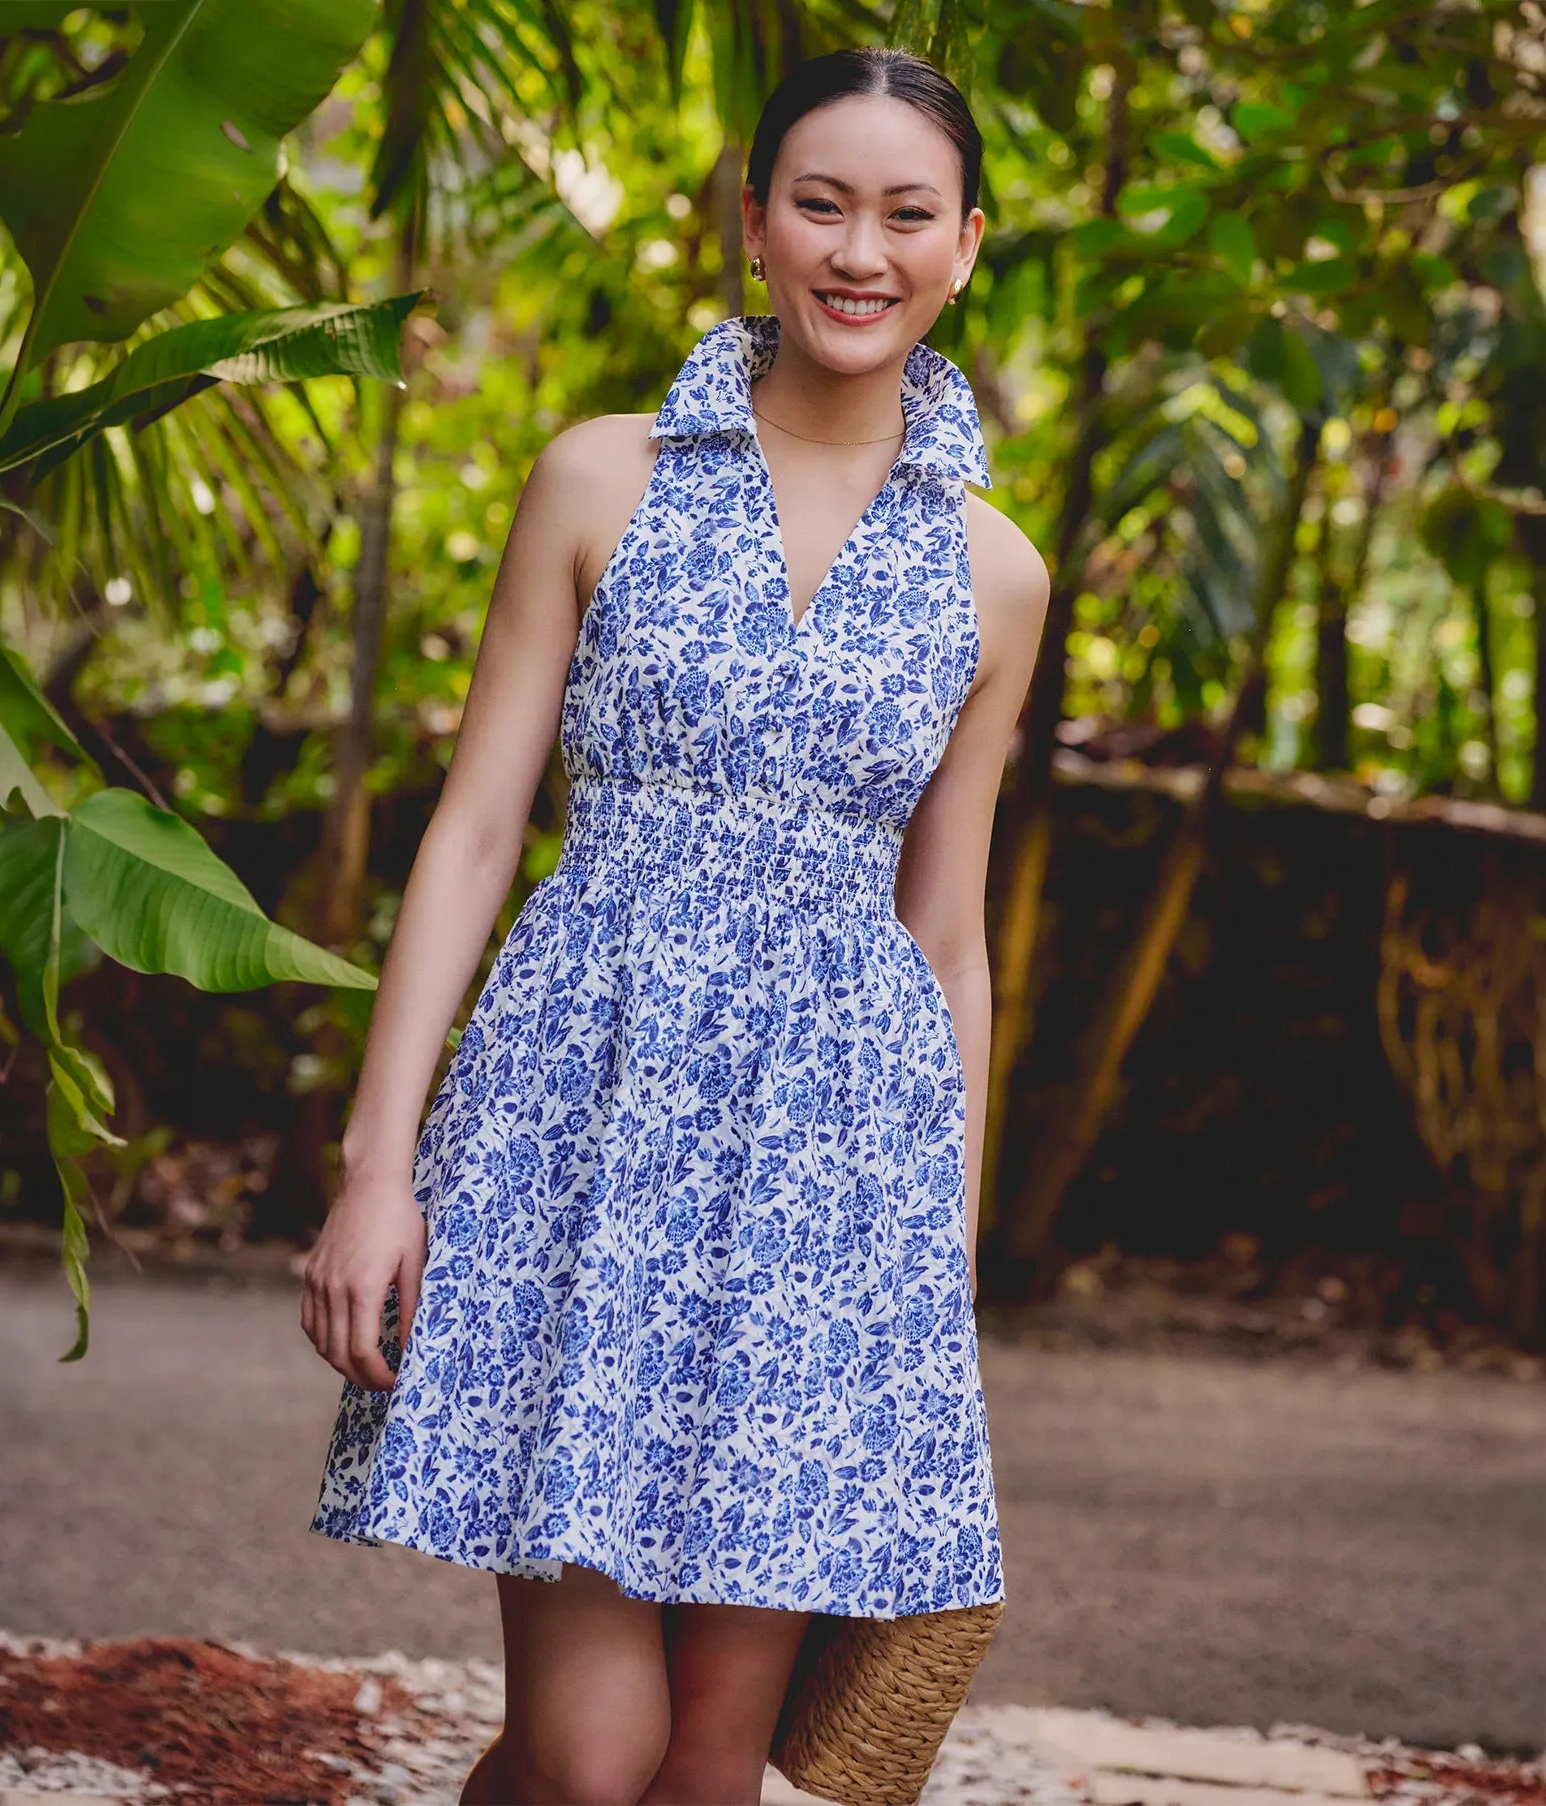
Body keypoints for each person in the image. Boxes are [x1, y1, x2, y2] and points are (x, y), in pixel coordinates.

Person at [300, 44, 1049, 1806]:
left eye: (905, 213)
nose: (859, 249)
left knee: (711, 1772)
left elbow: (947, 932)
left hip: (831, 1183)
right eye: (820, 203)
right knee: (593, 1755)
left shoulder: (992, 571)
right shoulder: (597, 477)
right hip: (579, 1125)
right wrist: (377, 1160)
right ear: (751, 224)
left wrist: (928, 1274)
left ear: (963, 247)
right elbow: (477, 830)